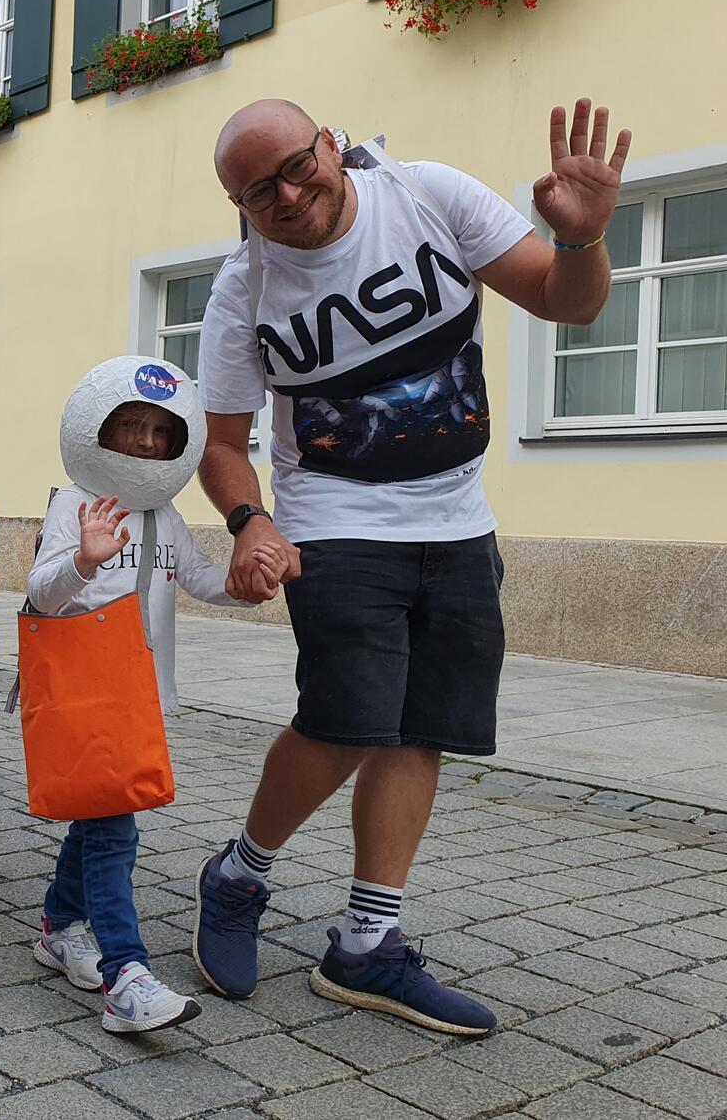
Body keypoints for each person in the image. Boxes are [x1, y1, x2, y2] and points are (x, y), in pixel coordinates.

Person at [191, 98, 630, 1036]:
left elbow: (567, 303)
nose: (288, 196)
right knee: (346, 721)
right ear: (239, 204)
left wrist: (583, 242)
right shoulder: (243, 291)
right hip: (334, 519)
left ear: (330, 145)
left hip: (459, 517)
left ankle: (365, 946)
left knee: (421, 726)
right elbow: (221, 442)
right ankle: (240, 876)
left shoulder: (428, 197)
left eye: (297, 166)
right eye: (257, 191)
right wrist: (249, 520)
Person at [27, 356, 285, 1033]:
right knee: (117, 832)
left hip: (144, 698)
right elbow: (39, 595)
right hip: (88, 696)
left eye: (159, 431)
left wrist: (242, 585)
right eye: (129, 427)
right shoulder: (74, 506)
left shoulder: (166, 516)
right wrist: (83, 557)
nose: (144, 442)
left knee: (98, 819)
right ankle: (126, 977)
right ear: (97, 431)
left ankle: (60, 924)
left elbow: (197, 578)